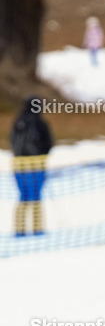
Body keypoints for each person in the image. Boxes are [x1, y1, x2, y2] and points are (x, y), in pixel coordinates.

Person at [10, 97, 53, 237]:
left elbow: (12, 141)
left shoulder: (18, 122)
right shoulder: (39, 123)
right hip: (36, 166)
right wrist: (42, 157)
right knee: (35, 198)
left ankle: (20, 230)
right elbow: (49, 143)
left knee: (23, 197)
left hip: (19, 166)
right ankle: (37, 229)